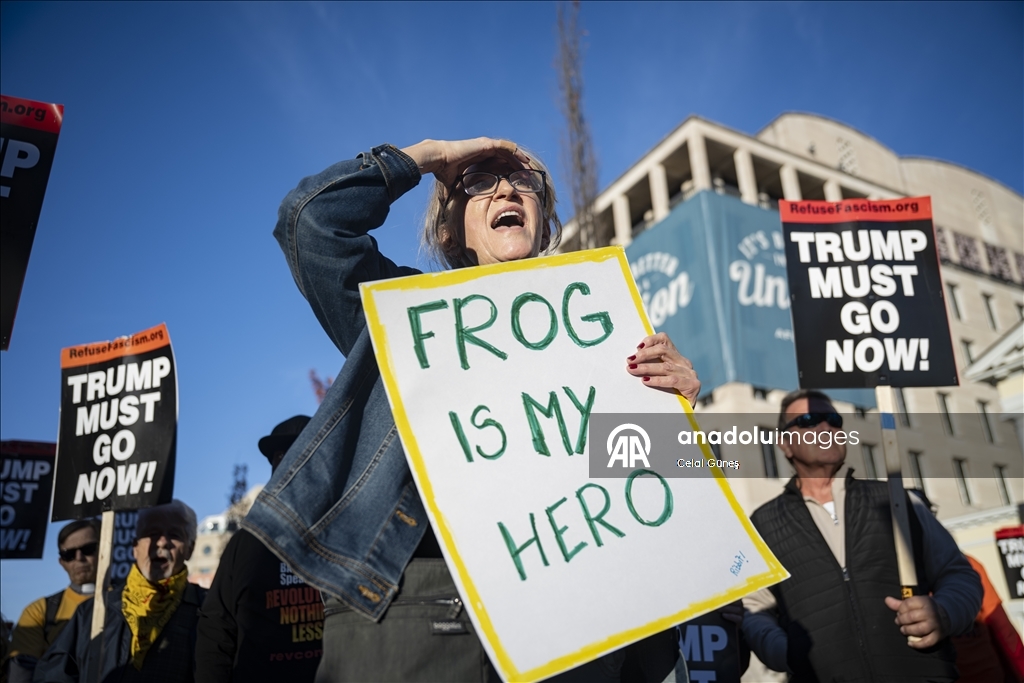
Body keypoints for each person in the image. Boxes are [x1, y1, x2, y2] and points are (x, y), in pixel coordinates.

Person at [242, 139, 700, 682]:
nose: (507, 188)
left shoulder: (604, 335)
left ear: (545, 223)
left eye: (523, 181)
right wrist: (430, 157)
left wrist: (685, 412)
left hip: (577, 624)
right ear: (448, 231)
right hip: (426, 617)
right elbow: (309, 222)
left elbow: (653, 491)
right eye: (479, 182)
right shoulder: (402, 317)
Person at [741, 389, 983, 682]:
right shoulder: (762, 523)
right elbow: (753, 607)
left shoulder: (899, 501)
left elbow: (959, 575)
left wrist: (943, 612)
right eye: (808, 420)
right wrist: (783, 651)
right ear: (785, 444)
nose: (826, 427)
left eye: (833, 419)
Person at [195, 415, 322, 683]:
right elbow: (216, 631)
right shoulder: (245, 544)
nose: (294, 465)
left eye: (309, 452)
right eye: (282, 456)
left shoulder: (352, 534)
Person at [35, 500, 206, 683]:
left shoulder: (209, 610)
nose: (162, 542)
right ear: (135, 547)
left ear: (190, 549)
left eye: (174, 535)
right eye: (152, 533)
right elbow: (54, 675)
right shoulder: (93, 613)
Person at [5, 520, 99, 683]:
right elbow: (21, 674)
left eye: (88, 549)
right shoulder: (38, 611)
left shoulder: (131, 603)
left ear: (105, 549)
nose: (79, 558)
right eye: (68, 554)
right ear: (61, 562)